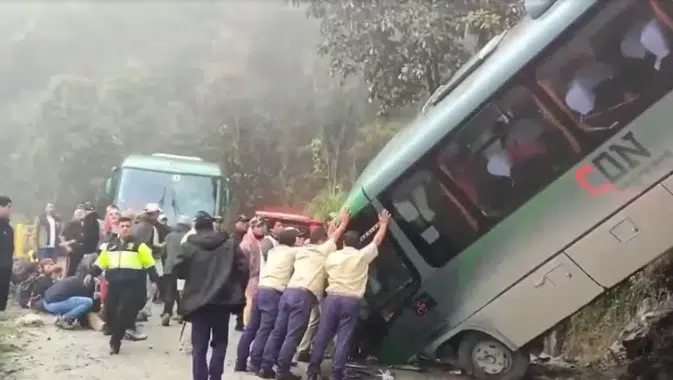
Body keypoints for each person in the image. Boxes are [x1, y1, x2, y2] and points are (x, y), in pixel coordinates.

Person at [261, 210, 350, 380]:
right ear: (323, 242)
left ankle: (266, 367)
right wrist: (343, 223)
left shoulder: (301, 250)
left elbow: (329, 237)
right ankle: (282, 370)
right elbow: (335, 237)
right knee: (293, 335)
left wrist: (329, 229)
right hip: (303, 296)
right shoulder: (322, 251)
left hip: (288, 292)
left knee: (277, 331)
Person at [307, 210, 391, 380]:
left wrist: (338, 227)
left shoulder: (332, 257)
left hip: (331, 300)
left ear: (344, 243)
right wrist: (383, 225)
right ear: (358, 244)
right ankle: (337, 375)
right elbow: (376, 241)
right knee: (343, 338)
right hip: (351, 302)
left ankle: (312, 371)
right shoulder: (361, 256)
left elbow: (331, 241)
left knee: (323, 335)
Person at [174, 212, 247, 380]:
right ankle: (216, 376)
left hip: (198, 302)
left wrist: (191, 276)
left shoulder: (189, 246)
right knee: (220, 341)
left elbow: (178, 270)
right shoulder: (230, 244)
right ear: (213, 227)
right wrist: (236, 288)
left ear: (196, 228)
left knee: (199, 345)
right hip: (223, 300)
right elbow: (243, 269)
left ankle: (199, 376)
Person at [87, 215, 160, 354]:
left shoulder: (140, 246)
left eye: (128, 226)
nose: (125, 229)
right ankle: (115, 334)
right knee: (111, 312)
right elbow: (101, 263)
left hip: (132, 286)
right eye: (123, 226)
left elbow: (150, 265)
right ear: (118, 228)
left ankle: (115, 341)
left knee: (122, 312)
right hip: (114, 285)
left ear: (132, 228)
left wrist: (154, 281)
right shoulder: (111, 246)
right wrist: (91, 274)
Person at [235, 227, 299, 375]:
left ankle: (240, 361)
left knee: (251, 328)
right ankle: (256, 363)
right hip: (274, 293)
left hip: (261, 290)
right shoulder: (293, 253)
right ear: (294, 241)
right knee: (265, 330)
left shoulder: (273, 251)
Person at [133, 203, 169, 320]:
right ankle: (143, 311)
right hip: (148, 260)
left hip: (134, 260)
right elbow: (155, 246)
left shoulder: (135, 225)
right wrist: (165, 245)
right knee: (149, 288)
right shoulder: (152, 228)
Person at [159, 215, 191, 326]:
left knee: (170, 291)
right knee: (182, 291)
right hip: (183, 269)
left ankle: (167, 312)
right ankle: (181, 313)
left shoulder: (169, 236)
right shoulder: (189, 237)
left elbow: (163, 252)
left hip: (169, 268)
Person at [240, 217, 265, 327]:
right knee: (249, 301)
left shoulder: (265, 240)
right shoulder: (247, 241)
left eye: (262, 226)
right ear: (252, 227)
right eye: (258, 226)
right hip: (251, 276)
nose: (261, 229)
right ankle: (247, 323)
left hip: (262, 275)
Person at [70, 202, 100, 278]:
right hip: (94, 251)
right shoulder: (97, 220)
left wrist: (79, 243)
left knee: (80, 272)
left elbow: (86, 237)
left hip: (85, 251)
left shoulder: (88, 220)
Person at [231, 214, 250, 331]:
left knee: (243, 296)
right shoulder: (232, 238)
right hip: (235, 271)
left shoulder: (248, 237)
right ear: (236, 223)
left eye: (246, 222)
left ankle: (240, 321)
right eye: (242, 222)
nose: (245, 225)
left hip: (245, 271)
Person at [0, 196, 13, 312]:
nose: (10, 211)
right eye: (8, 207)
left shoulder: (8, 228)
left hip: (6, 265)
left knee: (3, 289)